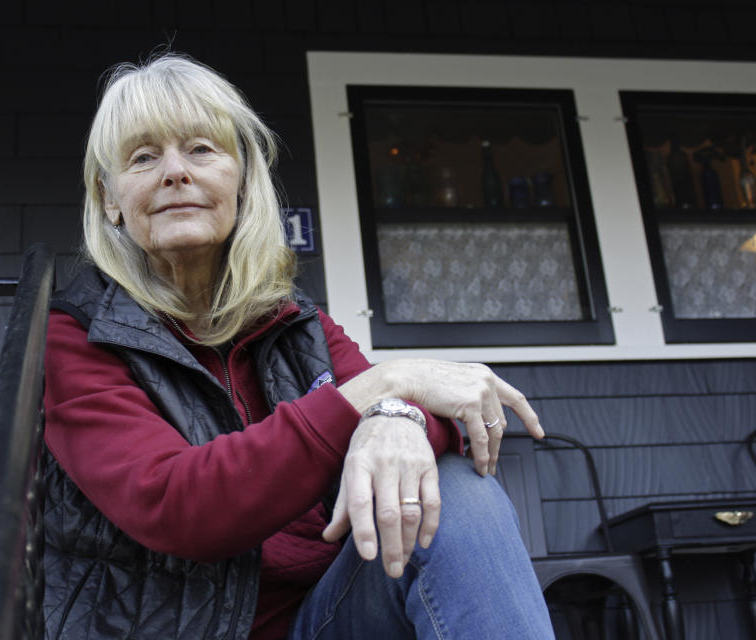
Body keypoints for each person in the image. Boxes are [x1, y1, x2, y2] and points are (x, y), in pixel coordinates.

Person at [42, 52, 555, 640]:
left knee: (458, 494)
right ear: (110, 198)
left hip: (327, 618)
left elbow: (424, 420)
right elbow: (176, 504)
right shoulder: (78, 335)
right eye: (143, 157)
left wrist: (397, 414)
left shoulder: (294, 324)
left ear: (241, 180)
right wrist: (385, 389)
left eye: (202, 150)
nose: (175, 172)